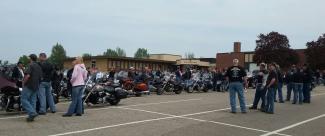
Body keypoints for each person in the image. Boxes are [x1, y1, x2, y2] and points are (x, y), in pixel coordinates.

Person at [21, 54, 43, 122]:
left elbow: (27, 75)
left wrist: (23, 83)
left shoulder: (30, 65)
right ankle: (31, 117)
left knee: (23, 99)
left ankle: (32, 113)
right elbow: (41, 77)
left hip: (29, 85)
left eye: (29, 58)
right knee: (32, 101)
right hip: (36, 86)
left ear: (31, 58)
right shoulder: (39, 66)